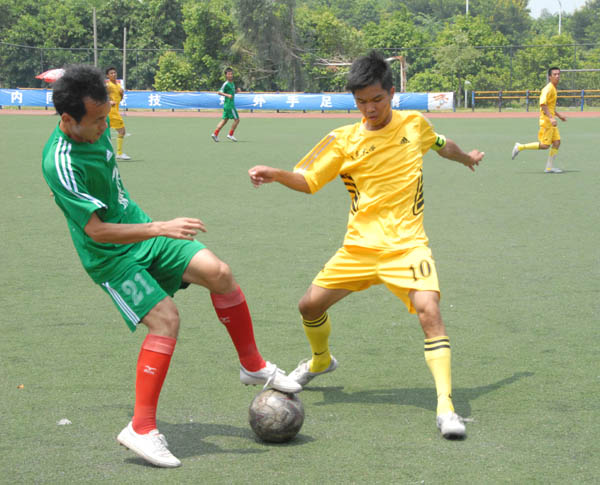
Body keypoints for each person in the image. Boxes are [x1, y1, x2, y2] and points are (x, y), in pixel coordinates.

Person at [42, 65, 301, 468]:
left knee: (219, 274)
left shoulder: (96, 125)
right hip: (110, 256)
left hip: (143, 231)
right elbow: (96, 230)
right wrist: (160, 227)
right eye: (96, 121)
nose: (104, 127)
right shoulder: (59, 162)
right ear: (67, 119)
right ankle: (141, 428)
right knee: (166, 320)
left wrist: (153, 229)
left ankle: (252, 365)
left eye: (106, 116)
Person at [248, 51, 485, 440]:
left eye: (377, 99)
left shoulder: (415, 124)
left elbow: (443, 144)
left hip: (408, 246)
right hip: (359, 248)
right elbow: (308, 181)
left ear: (391, 93)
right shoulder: (342, 140)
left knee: (430, 311)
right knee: (309, 306)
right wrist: (276, 174)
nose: (370, 109)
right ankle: (320, 361)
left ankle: (446, 408)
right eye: (361, 102)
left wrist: (465, 158)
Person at [511, 66, 566, 173]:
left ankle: (549, 167)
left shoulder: (554, 88)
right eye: (554, 74)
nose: (557, 76)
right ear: (550, 77)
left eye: (558, 74)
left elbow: (550, 107)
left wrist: (559, 116)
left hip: (551, 120)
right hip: (547, 121)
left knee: (557, 142)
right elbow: (543, 104)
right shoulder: (548, 89)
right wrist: (551, 118)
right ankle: (520, 147)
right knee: (545, 145)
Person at [105, 67, 131, 160]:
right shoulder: (108, 86)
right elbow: (102, 96)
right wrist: (109, 101)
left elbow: (120, 99)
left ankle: (107, 153)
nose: (114, 74)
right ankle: (118, 153)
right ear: (107, 76)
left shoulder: (118, 85)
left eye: (115, 73)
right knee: (122, 131)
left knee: (105, 132)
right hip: (111, 111)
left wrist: (122, 94)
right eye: (111, 73)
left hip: (113, 111)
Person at [211, 67, 240, 142]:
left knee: (224, 120)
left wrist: (236, 91)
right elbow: (219, 92)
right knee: (237, 120)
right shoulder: (226, 84)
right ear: (226, 75)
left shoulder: (232, 83)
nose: (230, 75)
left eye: (231, 74)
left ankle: (215, 134)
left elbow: (231, 93)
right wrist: (227, 95)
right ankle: (230, 134)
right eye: (229, 74)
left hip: (227, 105)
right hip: (230, 105)